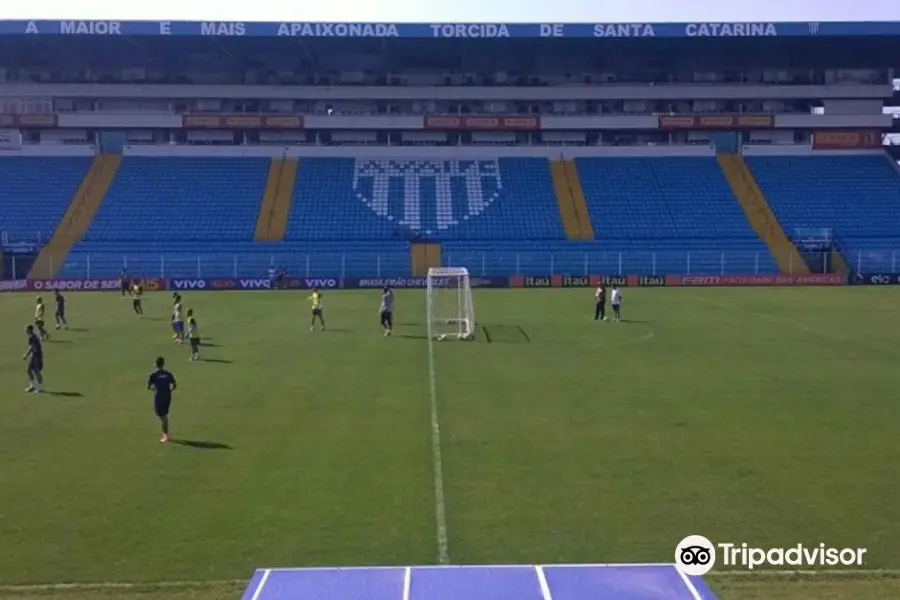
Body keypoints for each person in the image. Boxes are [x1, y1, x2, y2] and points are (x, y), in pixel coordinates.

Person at [147, 357, 177, 443]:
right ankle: (166, 433)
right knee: (164, 415)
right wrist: (169, 390)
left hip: (159, 397)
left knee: (162, 417)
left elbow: (149, 387)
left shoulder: (153, 375)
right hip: (167, 396)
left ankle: (166, 435)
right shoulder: (168, 374)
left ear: (156, 364)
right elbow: (174, 385)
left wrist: (155, 390)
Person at [22, 325, 44, 393]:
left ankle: (40, 388)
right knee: (29, 370)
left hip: (37, 356)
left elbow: (31, 347)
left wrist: (26, 355)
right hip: (33, 356)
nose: (26, 331)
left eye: (27, 330)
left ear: (30, 330)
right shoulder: (32, 337)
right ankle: (32, 386)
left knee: (37, 372)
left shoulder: (32, 337)